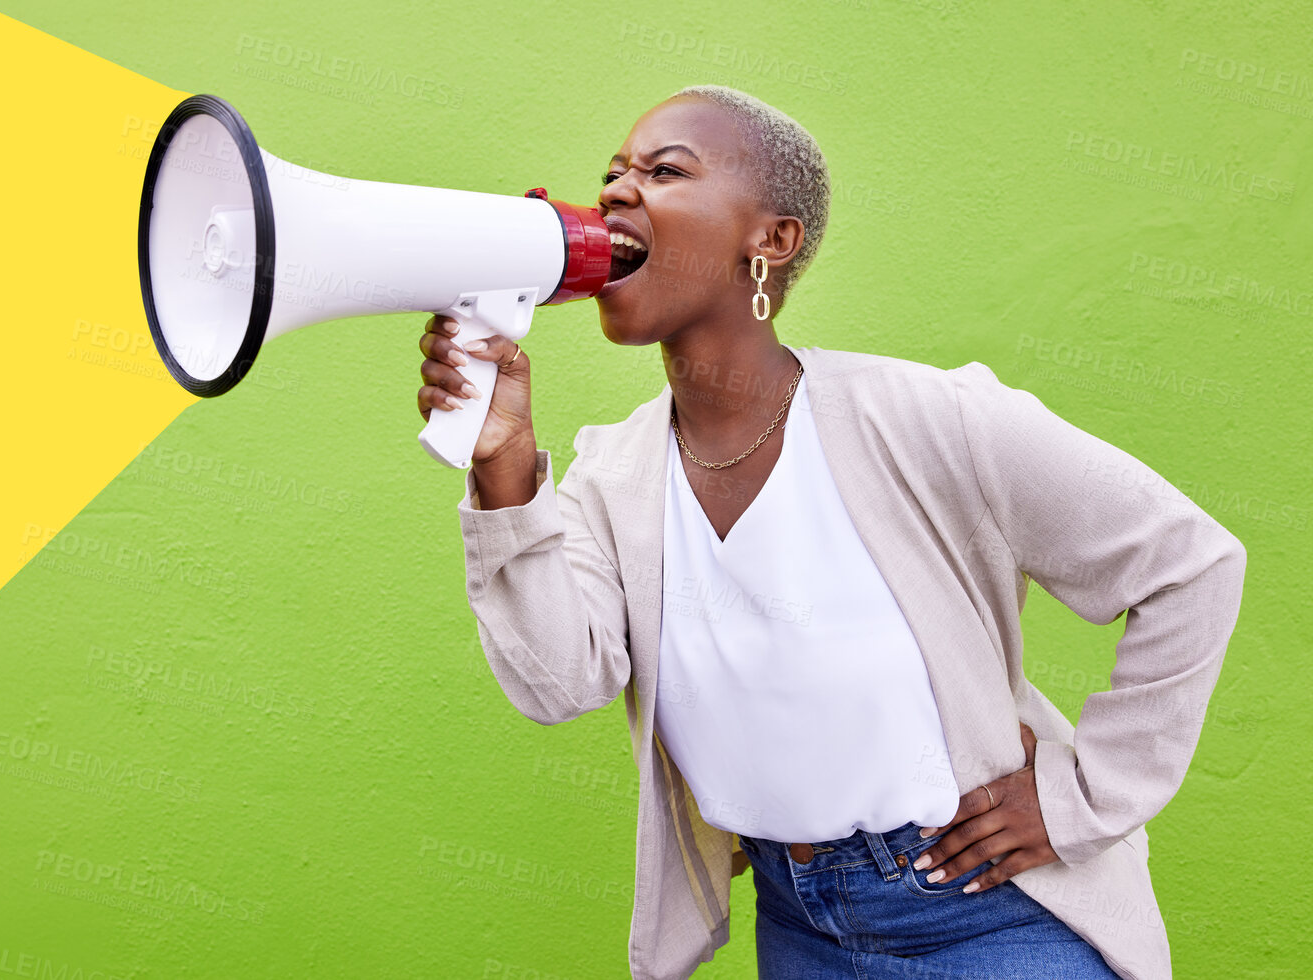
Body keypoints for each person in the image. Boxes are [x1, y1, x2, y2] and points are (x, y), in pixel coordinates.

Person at [416, 84, 1246, 980]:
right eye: (613, 172)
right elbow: (559, 683)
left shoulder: (930, 417)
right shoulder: (611, 475)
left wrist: (1083, 798)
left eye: (664, 171)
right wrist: (503, 467)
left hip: (985, 919)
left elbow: (1190, 565)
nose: (616, 190)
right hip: (799, 927)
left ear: (770, 241)